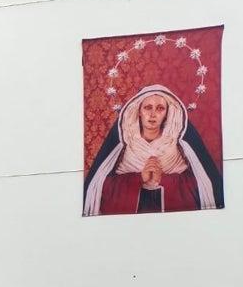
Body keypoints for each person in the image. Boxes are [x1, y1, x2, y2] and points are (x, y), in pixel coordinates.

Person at [83, 84, 223, 215]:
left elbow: (204, 185)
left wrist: (164, 180)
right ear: (138, 111)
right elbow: (99, 187)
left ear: (168, 113)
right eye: (147, 107)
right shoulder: (126, 144)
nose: (153, 114)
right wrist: (139, 178)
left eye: (160, 108)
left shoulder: (178, 145)